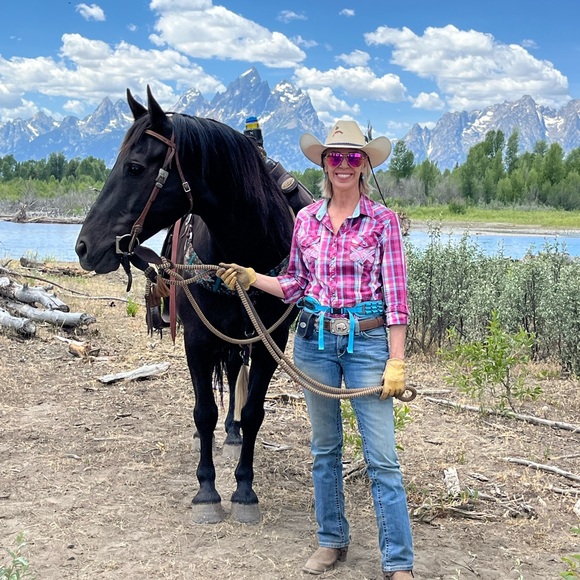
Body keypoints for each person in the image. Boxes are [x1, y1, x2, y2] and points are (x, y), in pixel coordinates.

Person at [217, 120, 414, 579]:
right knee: (325, 449)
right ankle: (331, 540)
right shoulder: (305, 220)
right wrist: (252, 277)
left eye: (352, 157)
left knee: (382, 458)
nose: (343, 165)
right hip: (314, 343)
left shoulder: (383, 222)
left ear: (364, 165)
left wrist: (396, 360)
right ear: (324, 164)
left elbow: (397, 298)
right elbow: (295, 284)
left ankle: (398, 561)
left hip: (368, 344)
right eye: (335, 157)